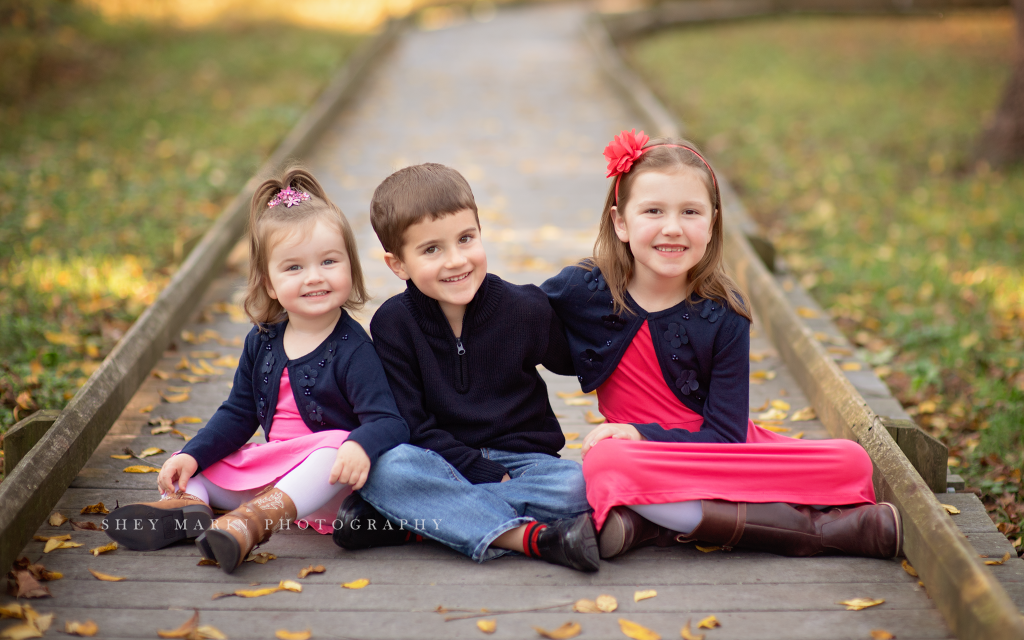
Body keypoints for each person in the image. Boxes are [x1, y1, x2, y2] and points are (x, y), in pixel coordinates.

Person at [541, 129, 901, 560]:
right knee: (603, 463)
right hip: (637, 457)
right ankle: (815, 531)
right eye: (653, 210)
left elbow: (727, 436)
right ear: (621, 222)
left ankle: (648, 521)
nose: (672, 228)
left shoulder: (723, 314)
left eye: (690, 212)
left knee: (852, 461)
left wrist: (640, 433)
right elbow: (514, 316)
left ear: (712, 224)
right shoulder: (586, 288)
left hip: (714, 450)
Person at [104, 167, 409, 573]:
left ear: (349, 267)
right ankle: (187, 508)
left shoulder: (354, 350)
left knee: (334, 445)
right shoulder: (263, 339)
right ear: (269, 283)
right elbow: (237, 413)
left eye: (329, 261)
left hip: (325, 487)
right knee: (197, 461)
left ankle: (252, 523)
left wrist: (358, 445)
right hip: (271, 476)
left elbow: (389, 422)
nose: (315, 277)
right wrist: (193, 454)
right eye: (294, 268)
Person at [332, 163, 599, 572]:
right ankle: (529, 537)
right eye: (431, 249)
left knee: (578, 487)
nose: (456, 261)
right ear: (397, 265)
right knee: (388, 469)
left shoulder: (524, 308)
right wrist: (480, 470)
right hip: (438, 462)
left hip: (524, 461)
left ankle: (413, 523)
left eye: (466, 239)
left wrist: (602, 294)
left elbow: (583, 362)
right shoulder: (393, 324)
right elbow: (411, 424)